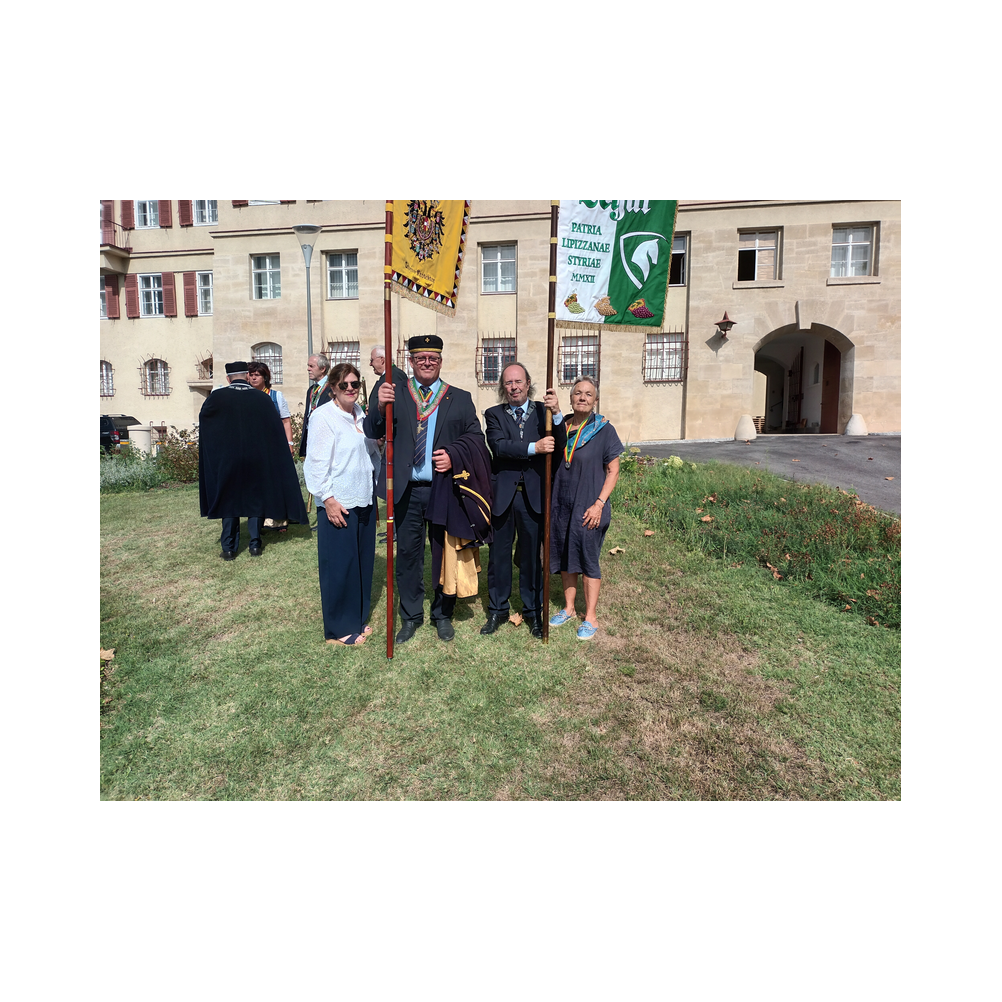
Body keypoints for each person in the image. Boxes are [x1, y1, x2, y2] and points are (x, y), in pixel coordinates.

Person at [364, 335, 485, 644]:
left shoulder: (458, 397)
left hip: (444, 490)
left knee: (445, 555)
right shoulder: (395, 393)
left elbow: (476, 439)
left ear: (440, 361)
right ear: (412, 363)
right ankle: (410, 616)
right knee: (407, 555)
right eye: (421, 359)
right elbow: (372, 429)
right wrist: (380, 405)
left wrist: (453, 455)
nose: (427, 363)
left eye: (433, 358)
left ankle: (442, 614)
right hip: (407, 489)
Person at [482, 364, 565, 639]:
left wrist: (559, 413)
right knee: (498, 557)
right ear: (502, 387)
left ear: (528, 383)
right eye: (508, 383)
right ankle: (497, 609)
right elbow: (499, 446)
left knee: (531, 557)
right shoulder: (493, 414)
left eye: (518, 381)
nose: (514, 387)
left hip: (534, 496)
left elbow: (560, 443)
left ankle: (532, 610)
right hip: (504, 495)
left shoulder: (545, 411)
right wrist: (534, 448)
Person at [304, 363, 381, 647]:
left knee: (361, 563)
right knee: (339, 566)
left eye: (355, 384)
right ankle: (337, 628)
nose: (351, 389)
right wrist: (327, 498)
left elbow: (369, 452)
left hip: (364, 498)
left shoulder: (362, 415)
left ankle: (357, 617)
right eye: (344, 385)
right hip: (339, 501)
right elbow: (316, 463)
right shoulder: (323, 416)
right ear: (333, 388)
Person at [199, 361, 309, 559]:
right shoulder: (262, 398)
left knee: (228, 500)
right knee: (255, 499)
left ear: (228, 378)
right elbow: (273, 430)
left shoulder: (216, 398)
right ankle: (255, 544)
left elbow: (206, 425)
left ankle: (229, 548)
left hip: (227, 458)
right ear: (247, 377)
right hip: (256, 458)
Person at [548, 376, 622, 640]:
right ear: (570, 398)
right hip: (562, 503)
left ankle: (590, 616)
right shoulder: (560, 426)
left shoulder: (604, 430)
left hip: (590, 504)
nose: (582, 397)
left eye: (588, 394)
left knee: (588, 558)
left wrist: (599, 504)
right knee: (567, 555)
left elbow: (613, 471)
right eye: (577, 393)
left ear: (596, 400)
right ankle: (568, 608)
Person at [248, 360, 295, 533]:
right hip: (253, 448)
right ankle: (257, 521)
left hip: (274, 446)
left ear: (265, 377)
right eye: (251, 375)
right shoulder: (245, 396)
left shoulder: (276, 396)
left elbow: (286, 421)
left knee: (275, 484)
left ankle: (279, 520)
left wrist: (289, 443)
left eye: (257, 375)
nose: (253, 378)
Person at [298, 353, 335, 459]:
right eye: (308, 366)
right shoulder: (311, 390)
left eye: (311, 366)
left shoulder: (332, 388)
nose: (308, 369)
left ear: (323, 368)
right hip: (311, 436)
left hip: (325, 438)